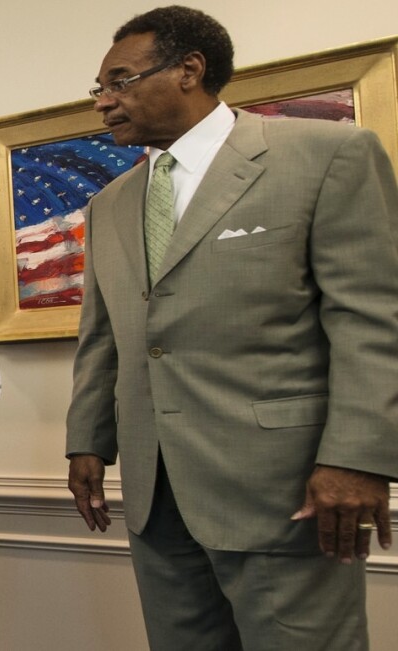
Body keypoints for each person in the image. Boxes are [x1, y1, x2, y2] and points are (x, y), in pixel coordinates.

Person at [66, 6, 398, 650]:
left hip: (284, 491)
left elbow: (372, 319)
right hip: (155, 495)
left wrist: (357, 459)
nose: (104, 103)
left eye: (120, 81)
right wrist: (87, 440)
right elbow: (104, 335)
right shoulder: (109, 205)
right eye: (98, 90)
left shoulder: (327, 155)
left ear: (190, 70)